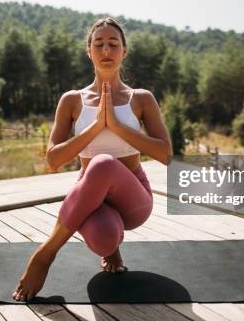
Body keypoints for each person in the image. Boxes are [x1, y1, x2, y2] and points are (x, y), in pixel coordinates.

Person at [12, 16, 172, 302]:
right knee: (102, 238)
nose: (106, 50)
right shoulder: (72, 100)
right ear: (89, 51)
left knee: (102, 163)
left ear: (125, 51)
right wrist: (96, 127)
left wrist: (118, 126)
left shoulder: (141, 98)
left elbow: (165, 154)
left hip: (133, 198)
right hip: (91, 200)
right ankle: (112, 247)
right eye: (99, 44)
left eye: (113, 44)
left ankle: (45, 254)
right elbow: (53, 160)